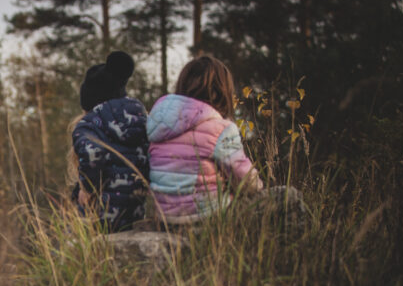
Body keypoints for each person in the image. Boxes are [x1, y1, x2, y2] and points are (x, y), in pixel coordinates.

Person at [146, 55, 264, 225]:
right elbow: (243, 177)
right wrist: (258, 186)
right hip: (204, 214)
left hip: (163, 215)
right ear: (222, 90)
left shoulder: (158, 123)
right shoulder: (221, 128)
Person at [71, 50, 149, 232]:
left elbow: (92, 153)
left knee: (67, 236)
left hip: (102, 214)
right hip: (137, 211)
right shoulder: (143, 119)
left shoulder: (89, 123)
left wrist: (88, 188)